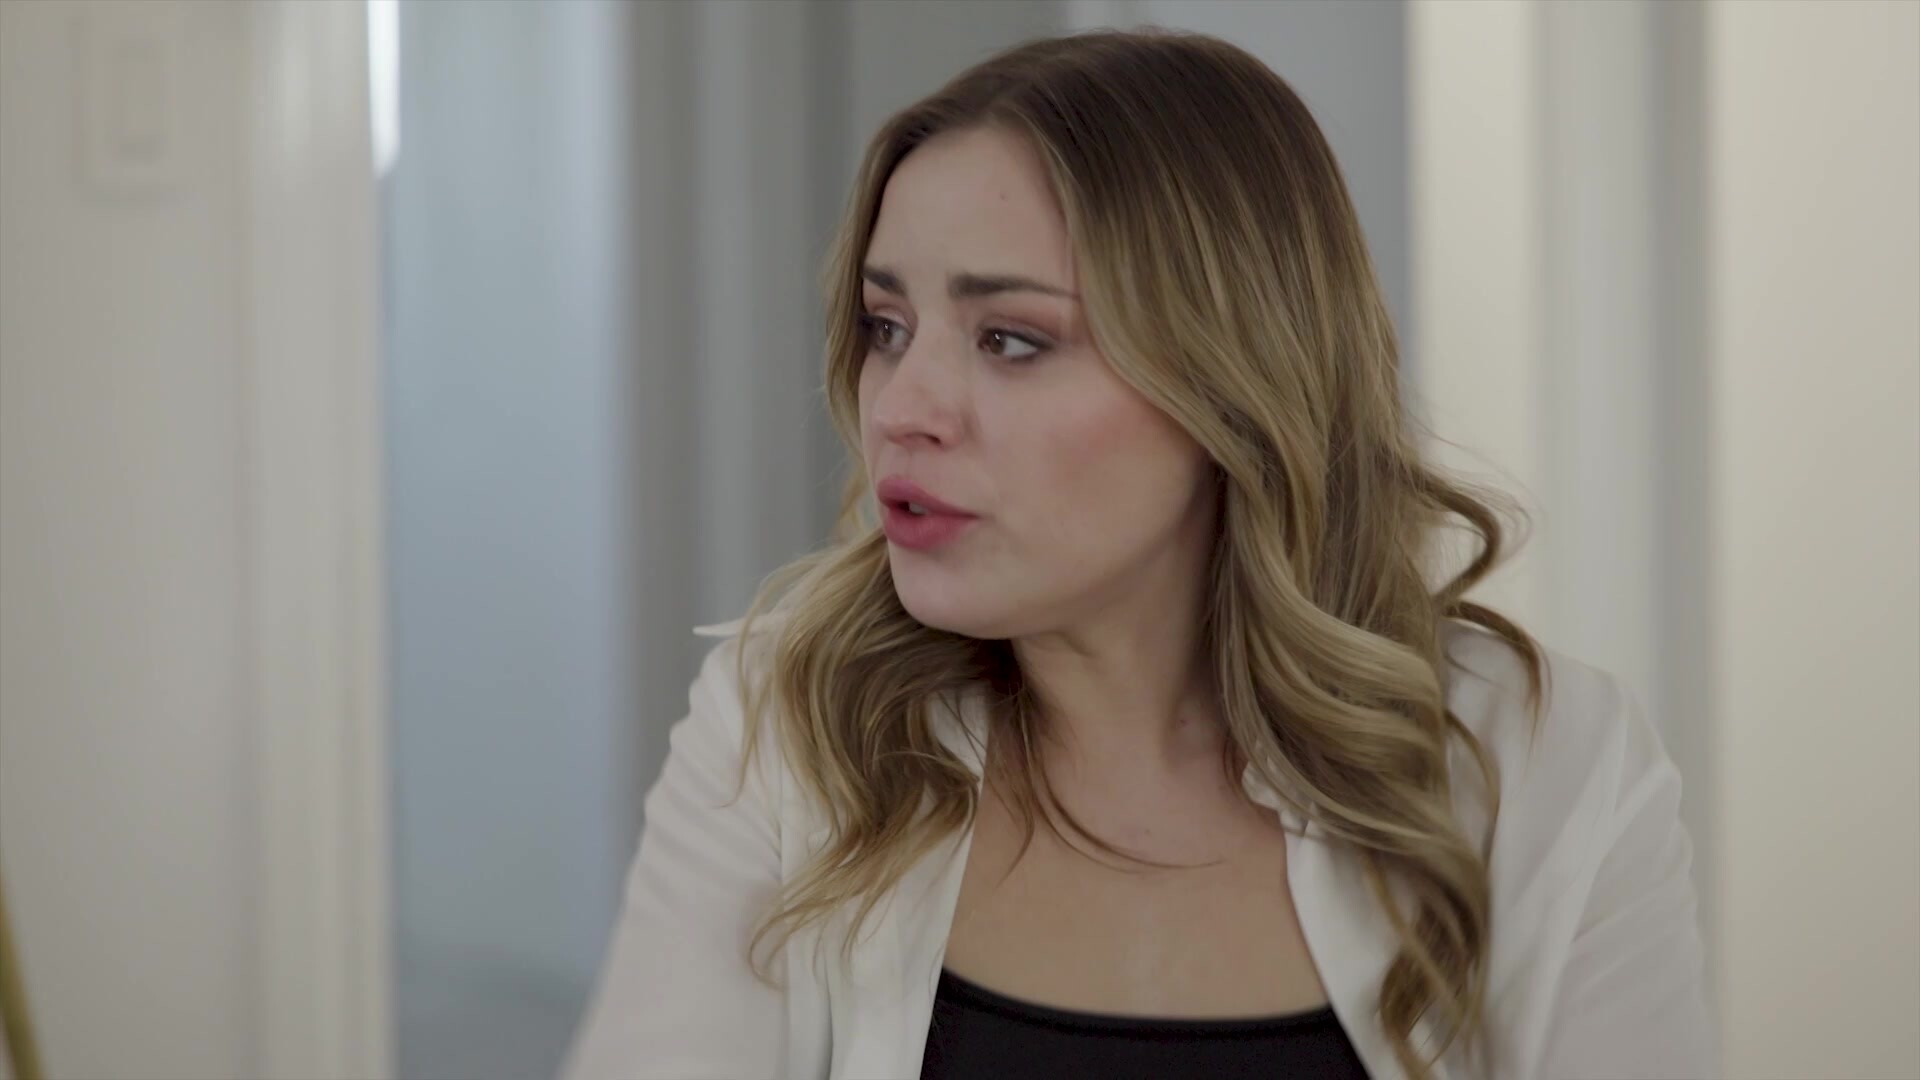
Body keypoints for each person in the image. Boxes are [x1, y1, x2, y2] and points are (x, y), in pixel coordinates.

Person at [562, 28, 1716, 1080]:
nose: (903, 408)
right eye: (886, 327)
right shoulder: (786, 728)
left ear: (1233, 382)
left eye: (1012, 339)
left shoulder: (1548, 769)